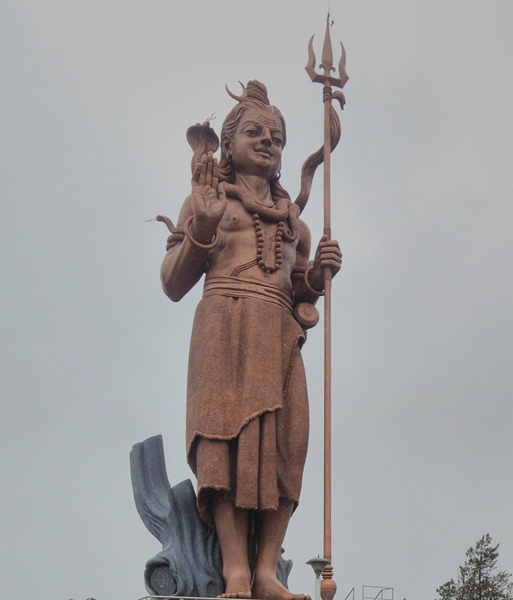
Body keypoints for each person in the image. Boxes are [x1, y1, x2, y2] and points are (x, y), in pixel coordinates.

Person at [160, 80, 341, 600]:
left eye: (277, 138)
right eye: (256, 133)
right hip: (224, 324)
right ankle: (236, 569)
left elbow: (301, 291)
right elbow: (172, 282)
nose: (268, 142)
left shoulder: (295, 226)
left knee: (286, 446)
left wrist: (319, 276)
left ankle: (266, 571)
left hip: (279, 333)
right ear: (229, 142)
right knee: (223, 445)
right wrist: (202, 228)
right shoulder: (207, 201)